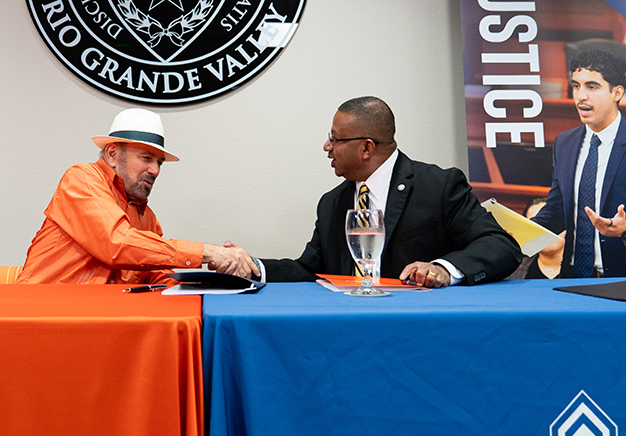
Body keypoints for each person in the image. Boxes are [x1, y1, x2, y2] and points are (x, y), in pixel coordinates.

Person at [237, 96, 522, 288]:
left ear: (366, 148)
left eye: (334, 139)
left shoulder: (438, 186)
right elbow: (311, 270)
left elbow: (501, 246)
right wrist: (251, 266)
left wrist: (443, 269)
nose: (327, 147)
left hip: (421, 325)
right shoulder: (332, 203)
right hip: (349, 326)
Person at [16, 108, 258, 284]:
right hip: (40, 315)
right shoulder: (82, 178)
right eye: (146, 158)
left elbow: (162, 278)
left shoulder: (147, 219)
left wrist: (218, 277)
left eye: (159, 162)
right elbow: (117, 244)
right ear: (112, 154)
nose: (155, 170)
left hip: (98, 321)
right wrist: (208, 252)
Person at [531, 50, 626, 277]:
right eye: (576, 86)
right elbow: (556, 209)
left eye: (592, 87)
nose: (581, 96)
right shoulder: (564, 143)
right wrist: (519, 230)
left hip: (620, 279)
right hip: (571, 276)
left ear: (617, 92)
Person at [507, 197, 565, 280]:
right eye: (535, 226)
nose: (545, 232)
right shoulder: (512, 270)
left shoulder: (582, 268)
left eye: (551, 223)